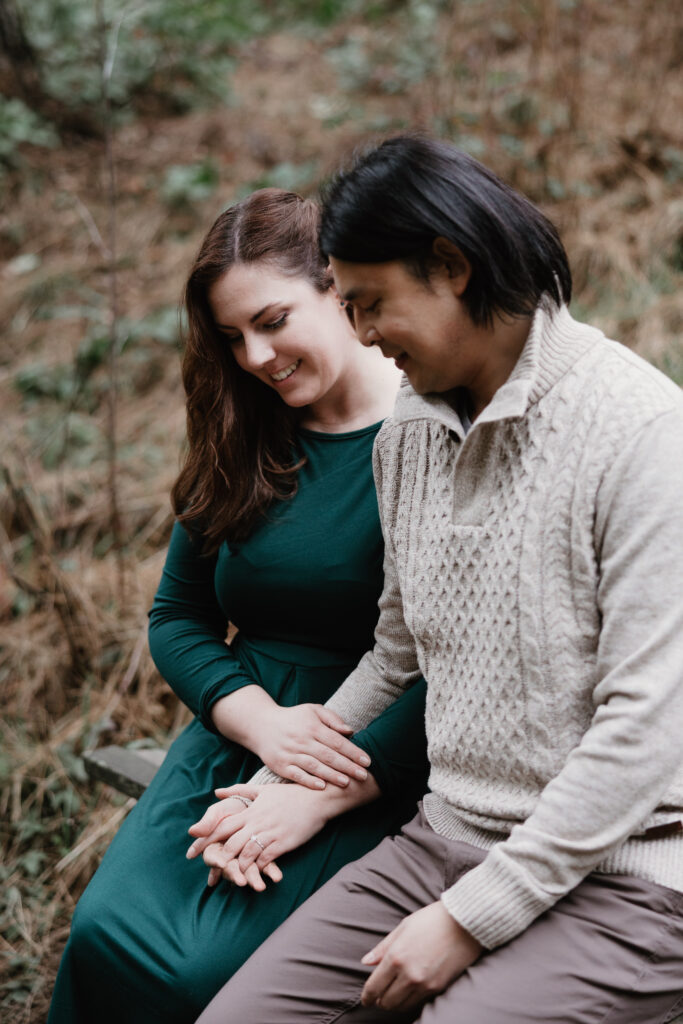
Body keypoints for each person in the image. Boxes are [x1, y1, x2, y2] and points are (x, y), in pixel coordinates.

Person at [194, 137, 683, 1024]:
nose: (362, 332)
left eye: (371, 303)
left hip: (628, 878)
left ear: (451, 267)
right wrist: (287, 777)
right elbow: (395, 652)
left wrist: (466, 920)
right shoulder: (406, 435)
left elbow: (644, 731)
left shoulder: (641, 433)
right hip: (443, 842)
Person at [47, 187, 429, 1024]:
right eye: (231, 338)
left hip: (378, 754)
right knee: (107, 932)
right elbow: (176, 617)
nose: (254, 356)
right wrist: (258, 723)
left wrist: (326, 780)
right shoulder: (243, 427)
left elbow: (463, 660)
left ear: (338, 287)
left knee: (205, 973)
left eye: (272, 320)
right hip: (240, 728)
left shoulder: (430, 428)